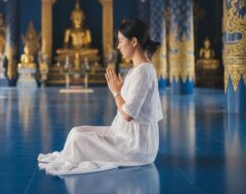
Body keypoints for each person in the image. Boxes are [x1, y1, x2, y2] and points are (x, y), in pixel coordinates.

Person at [38, 19, 163, 175]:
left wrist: (115, 91)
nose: (118, 46)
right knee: (76, 131)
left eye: (120, 41)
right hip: (124, 133)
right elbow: (132, 102)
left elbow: (129, 114)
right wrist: (121, 88)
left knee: (78, 140)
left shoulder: (144, 71)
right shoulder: (136, 70)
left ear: (134, 41)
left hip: (136, 145)